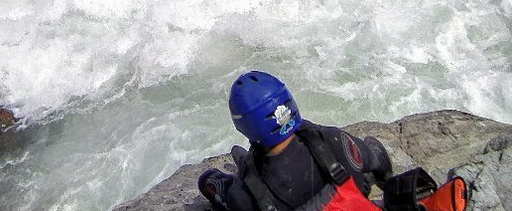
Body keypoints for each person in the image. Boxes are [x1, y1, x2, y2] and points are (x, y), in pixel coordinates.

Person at [198, 71, 466, 211]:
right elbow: (376, 156)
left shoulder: (245, 193)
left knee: (211, 182)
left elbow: (223, 193)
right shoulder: (331, 142)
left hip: (252, 191)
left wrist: (246, 173)